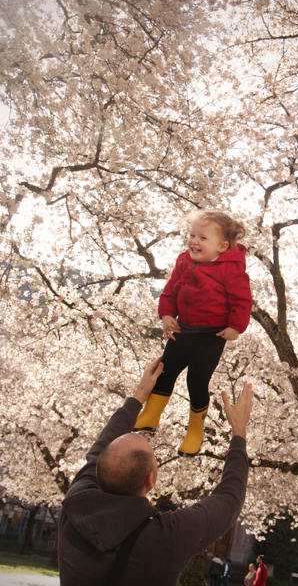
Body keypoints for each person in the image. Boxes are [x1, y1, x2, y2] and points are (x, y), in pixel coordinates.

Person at [58, 357, 254, 586]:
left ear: (100, 467)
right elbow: (230, 499)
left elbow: (100, 449)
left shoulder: (74, 507)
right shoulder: (165, 537)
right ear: (150, 479)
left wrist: (139, 395)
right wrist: (238, 431)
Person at [133, 211, 253, 457]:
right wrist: (167, 315)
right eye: (192, 235)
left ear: (222, 246)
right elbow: (170, 290)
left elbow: (242, 300)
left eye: (202, 238)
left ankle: (196, 428)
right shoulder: (183, 261)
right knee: (164, 371)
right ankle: (152, 414)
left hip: (210, 336)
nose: (194, 241)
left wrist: (236, 327)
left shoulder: (230, 269)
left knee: (196, 382)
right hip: (182, 330)